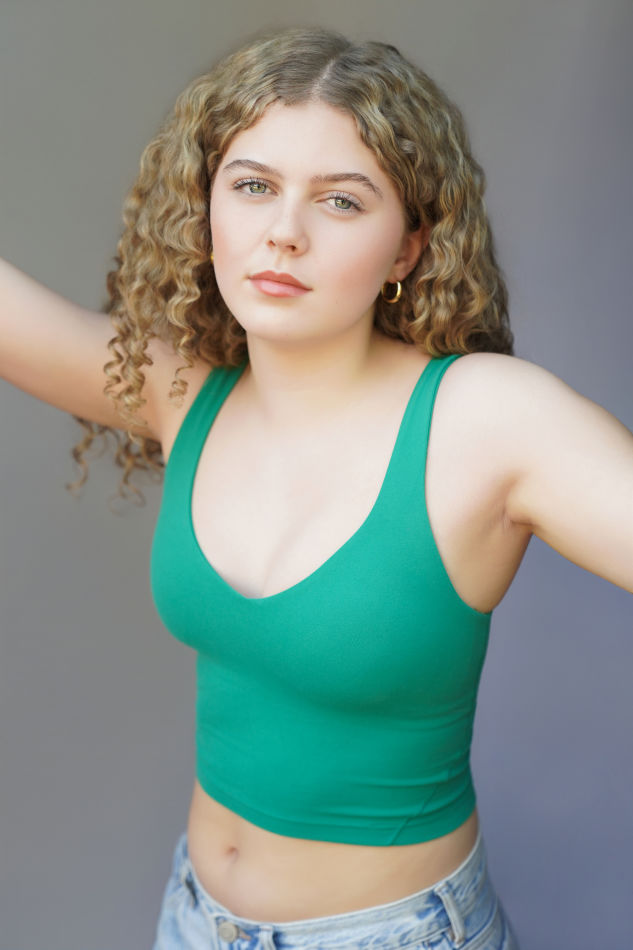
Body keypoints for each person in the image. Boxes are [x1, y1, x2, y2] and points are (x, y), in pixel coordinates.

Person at [1, 25, 631, 950]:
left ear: (408, 248)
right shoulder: (187, 396)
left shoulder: (483, 420)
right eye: (252, 185)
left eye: (340, 200)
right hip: (193, 920)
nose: (283, 233)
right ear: (205, 206)